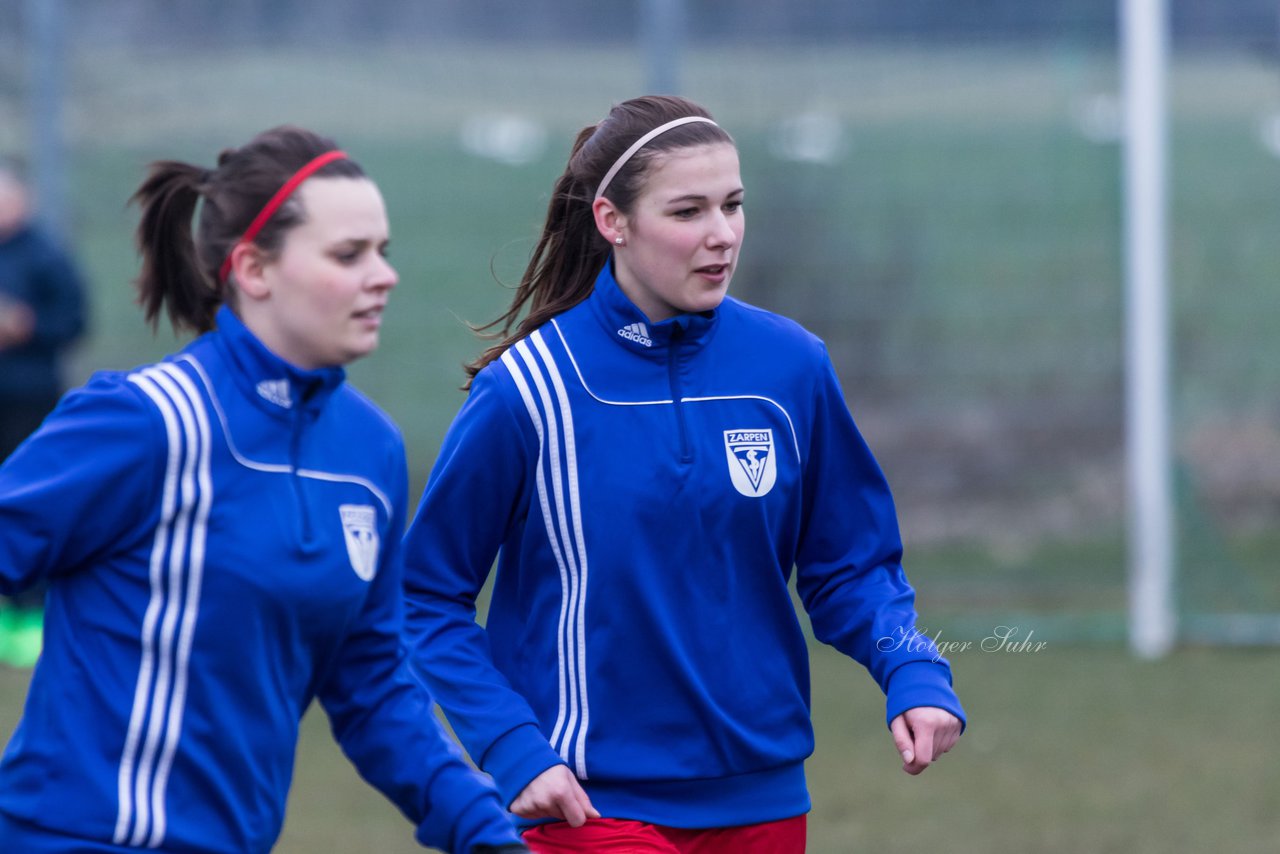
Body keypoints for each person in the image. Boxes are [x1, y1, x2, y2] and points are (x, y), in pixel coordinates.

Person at [400, 94, 966, 853]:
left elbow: (848, 563)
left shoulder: (790, 367)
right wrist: (509, 744)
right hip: (587, 806)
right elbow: (425, 595)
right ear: (613, 222)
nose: (722, 235)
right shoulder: (528, 392)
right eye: (688, 211)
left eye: (733, 205)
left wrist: (912, 671)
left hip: (763, 798)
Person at [0, 126, 528, 854]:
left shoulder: (369, 452)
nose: (384, 276)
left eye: (383, 251)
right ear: (253, 268)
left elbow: (371, 683)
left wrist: (483, 826)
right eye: (349, 254)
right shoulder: (147, 423)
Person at [0, 158, 87, 668]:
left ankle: (31, 619)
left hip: (30, 403)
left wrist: (26, 327)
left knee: (28, 503)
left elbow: (73, 320)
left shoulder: (46, 257)